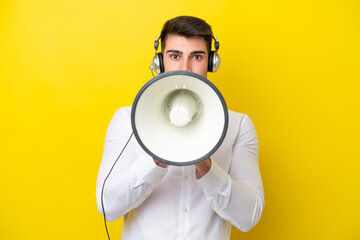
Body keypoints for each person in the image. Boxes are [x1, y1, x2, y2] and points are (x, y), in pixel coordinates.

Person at [96, 16, 265, 240]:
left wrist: (205, 164)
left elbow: (249, 217)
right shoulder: (127, 120)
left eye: (197, 56)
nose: (184, 67)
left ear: (211, 63)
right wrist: (156, 159)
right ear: (160, 62)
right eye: (175, 56)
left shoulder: (238, 125)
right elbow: (107, 206)